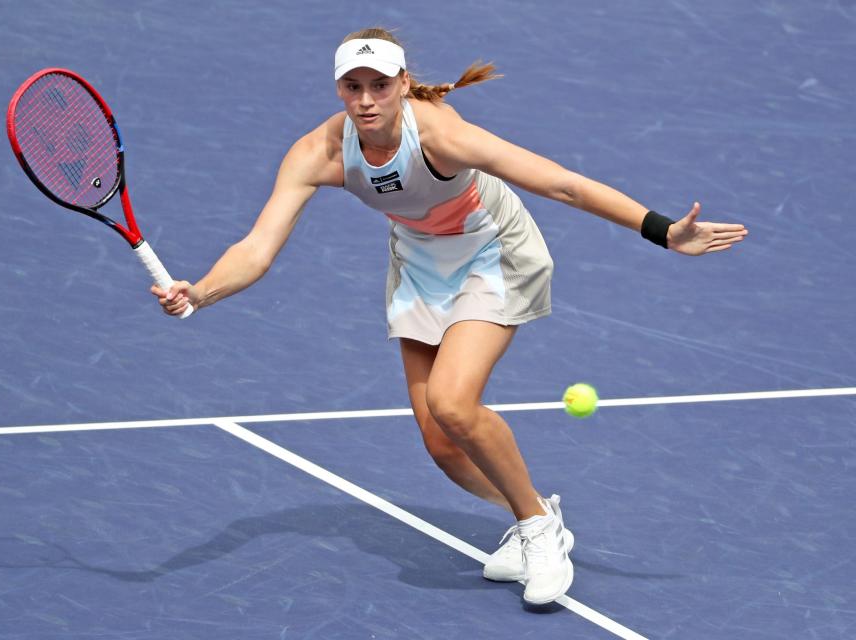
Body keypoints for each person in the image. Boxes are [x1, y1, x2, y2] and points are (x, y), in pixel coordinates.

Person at [152, 27, 748, 605]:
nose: (365, 99)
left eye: (378, 85)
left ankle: (541, 531)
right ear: (338, 89)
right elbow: (259, 247)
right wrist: (201, 292)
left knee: (454, 402)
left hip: (494, 251)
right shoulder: (319, 152)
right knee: (442, 446)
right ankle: (534, 512)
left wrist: (663, 231)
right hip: (420, 263)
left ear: (402, 84)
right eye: (353, 86)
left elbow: (561, 184)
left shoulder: (439, 134)